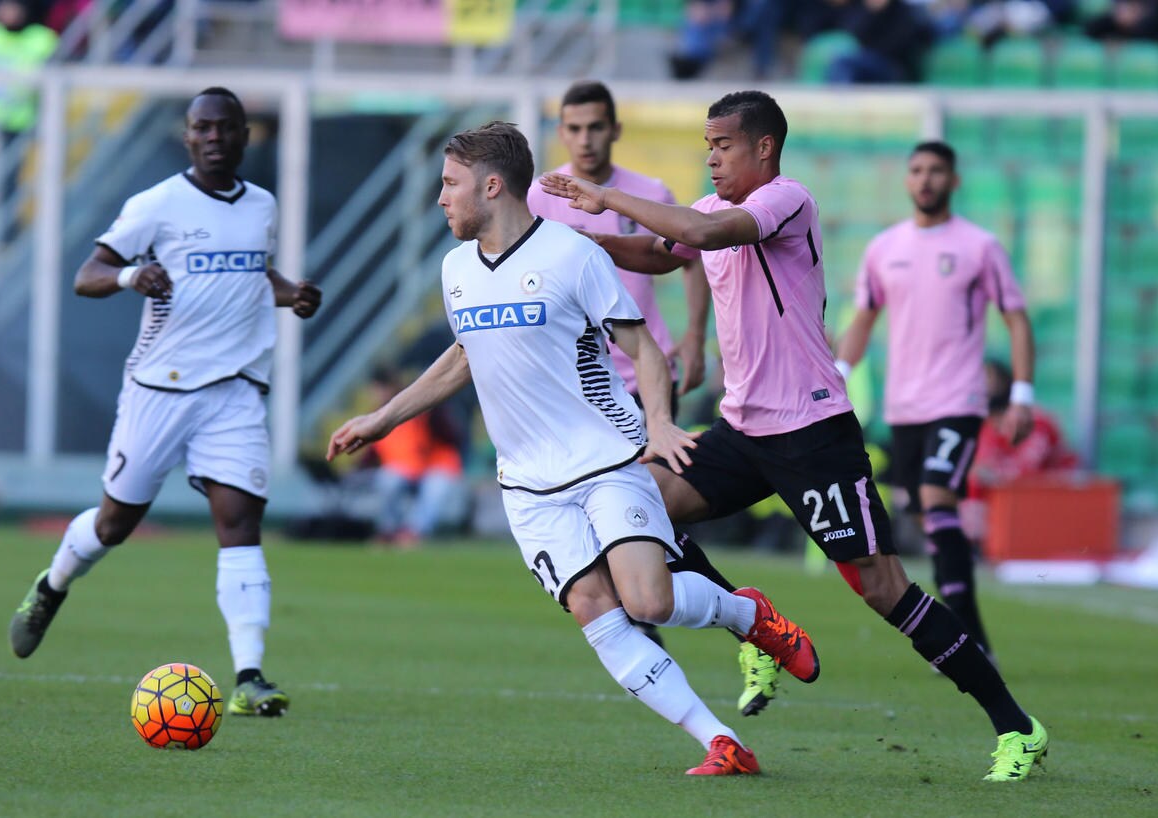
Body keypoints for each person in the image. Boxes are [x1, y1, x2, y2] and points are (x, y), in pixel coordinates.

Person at [539, 90, 1048, 782]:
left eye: (723, 145)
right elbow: (663, 253)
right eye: (708, 146)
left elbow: (705, 234)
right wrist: (589, 243)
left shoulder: (786, 200)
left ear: (764, 148)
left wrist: (605, 198)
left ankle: (1017, 728)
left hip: (812, 435)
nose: (711, 158)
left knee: (883, 588)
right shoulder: (708, 209)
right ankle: (751, 621)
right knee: (640, 502)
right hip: (742, 430)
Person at [328, 121, 819, 776]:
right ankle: (720, 742)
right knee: (594, 608)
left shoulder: (571, 254)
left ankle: (747, 612)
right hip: (526, 483)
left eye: (450, 184)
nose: (441, 198)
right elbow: (466, 354)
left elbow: (642, 346)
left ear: (492, 186)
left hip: (605, 459)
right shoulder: (455, 270)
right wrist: (383, 418)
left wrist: (659, 422)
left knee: (648, 601)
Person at [8, 87, 322, 719]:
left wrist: (292, 293)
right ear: (187, 137)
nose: (214, 137)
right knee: (113, 525)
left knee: (240, 523)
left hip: (234, 390)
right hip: (160, 389)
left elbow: (250, 274)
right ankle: (53, 583)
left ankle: (250, 676)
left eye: (225, 127)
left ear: (245, 135)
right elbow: (87, 275)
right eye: (202, 128)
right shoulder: (156, 205)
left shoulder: (261, 205)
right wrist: (131, 275)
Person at [527, 79, 722, 655]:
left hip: (643, 377)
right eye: (574, 128)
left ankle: (732, 617)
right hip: (575, 388)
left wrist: (694, 335)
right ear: (562, 133)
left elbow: (690, 259)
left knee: (648, 512)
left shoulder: (647, 193)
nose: (585, 139)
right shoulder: (539, 197)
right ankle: (668, 619)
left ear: (614, 129)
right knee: (609, 519)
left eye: (595, 126)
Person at [835, 140, 1035, 664]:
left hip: (958, 400)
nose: (926, 179)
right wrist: (839, 376)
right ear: (907, 180)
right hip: (905, 407)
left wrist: (1021, 394)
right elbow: (864, 318)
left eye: (936, 171)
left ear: (954, 180)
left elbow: (1016, 318)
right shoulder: (884, 248)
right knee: (926, 515)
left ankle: (970, 641)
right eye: (917, 170)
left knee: (936, 497)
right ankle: (971, 636)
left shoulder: (979, 246)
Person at [963, 359, 1079, 544]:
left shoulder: (1035, 421)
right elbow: (982, 466)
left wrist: (986, 473)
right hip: (1014, 499)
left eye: (988, 379)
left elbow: (1027, 470)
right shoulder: (987, 425)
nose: (982, 386)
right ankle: (973, 542)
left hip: (1053, 493)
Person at [349, 366, 467, 547]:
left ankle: (413, 532)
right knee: (388, 479)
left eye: (379, 388)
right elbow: (374, 452)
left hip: (436, 466)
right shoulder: (379, 415)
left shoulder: (423, 409)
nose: (376, 394)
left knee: (435, 487)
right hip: (407, 469)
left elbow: (453, 437)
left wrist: (433, 414)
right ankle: (388, 531)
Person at [0, 0, 58, 245]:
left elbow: (53, 84)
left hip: (15, 123)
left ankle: (6, 237)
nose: (7, 13)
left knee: (7, 182)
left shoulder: (42, 39)